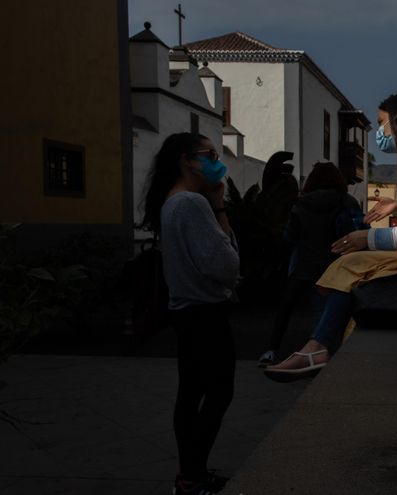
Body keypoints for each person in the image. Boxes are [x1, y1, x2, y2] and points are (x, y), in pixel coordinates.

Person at [265, 92, 397, 377]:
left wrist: (366, 239)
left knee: (357, 269)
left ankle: (318, 346)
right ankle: (318, 346)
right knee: (354, 266)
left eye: (382, 123)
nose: (380, 133)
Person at [140, 133, 240, 495]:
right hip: (205, 314)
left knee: (191, 394)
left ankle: (190, 475)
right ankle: (191, 478)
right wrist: (220, 208)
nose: (216, 160)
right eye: (209, 154)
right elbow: (226, 266)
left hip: (185, 313)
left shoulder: (172, 203)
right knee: (218, 393)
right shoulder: (191, 205)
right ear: (187, 160)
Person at [258, 162, 366, 366]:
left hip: (303, 266)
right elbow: (358, 230)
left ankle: (272, 350)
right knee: (324, 312)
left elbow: (290, 236)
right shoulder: (346, 201)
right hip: (335, 265)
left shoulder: (301, 204)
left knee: (286, 310)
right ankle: (321, 353)